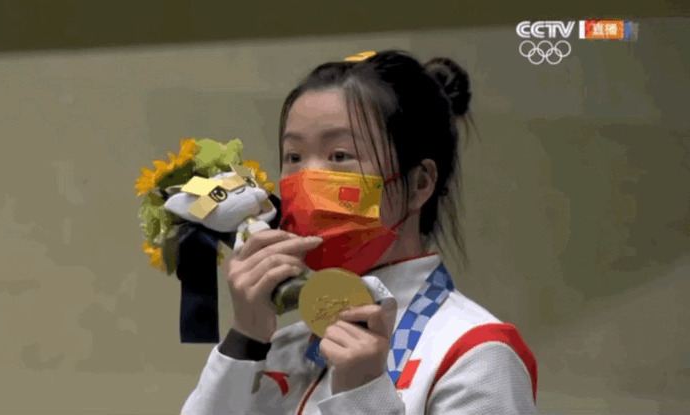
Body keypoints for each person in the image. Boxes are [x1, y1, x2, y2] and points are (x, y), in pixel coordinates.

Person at [179, 50, 537, 414]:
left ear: (419, 183)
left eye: (339, 156)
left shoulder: (475, 353)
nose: (308, 179)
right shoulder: (281, 347)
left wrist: (363, 395)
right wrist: (246, 338)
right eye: (294, 157)